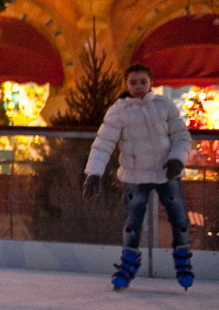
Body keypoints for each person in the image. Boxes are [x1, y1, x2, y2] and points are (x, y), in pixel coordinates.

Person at [83, 64, 194, 291]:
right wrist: (93, 174)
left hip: (167, 172)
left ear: (151, 82)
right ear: (126, 84)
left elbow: (181, 136)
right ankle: (127, 267)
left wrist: (176, 159)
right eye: (133, 83)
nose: (138, 87)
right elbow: (103, 145)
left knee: (180, 219)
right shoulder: (119, 111)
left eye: (142, 82)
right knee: (132, 223)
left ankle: (184, 264)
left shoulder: (164, 105)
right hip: (135, 175)